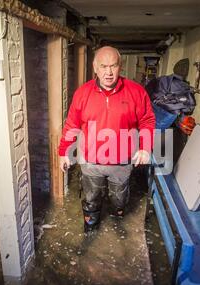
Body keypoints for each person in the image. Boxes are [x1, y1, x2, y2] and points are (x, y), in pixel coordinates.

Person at [58, 46, 155, 232]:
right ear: (95, 67)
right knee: (91, 196)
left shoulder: (136, 91)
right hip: (91, 161)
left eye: (113, 66)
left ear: (120, 66)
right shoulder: (83, 93)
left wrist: (145, 147)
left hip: (122, 161)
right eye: (103, 66)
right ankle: (91, 224)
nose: (109, 72)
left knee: (119, 198)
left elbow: (147, 120)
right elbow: (72, 124)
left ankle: (117, 216)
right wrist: (64, 151)